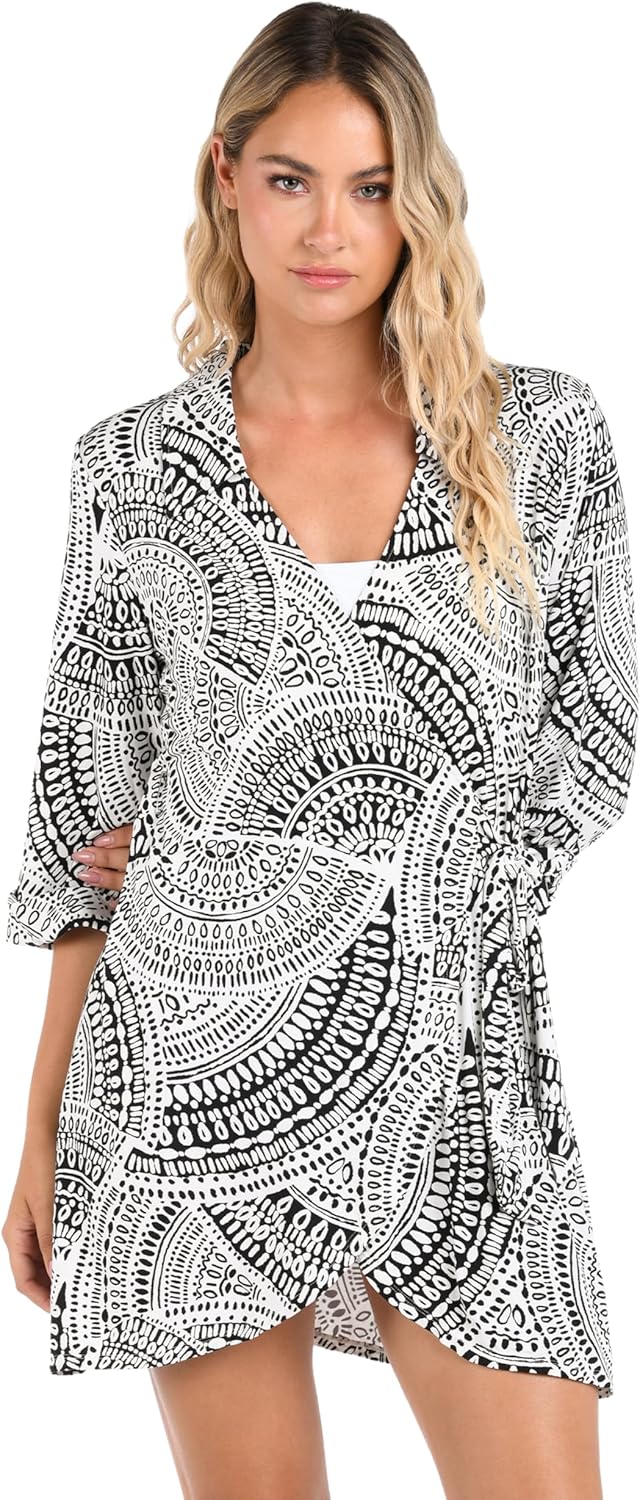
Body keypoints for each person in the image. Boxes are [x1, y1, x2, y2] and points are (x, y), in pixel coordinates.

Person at [2, 4, 637, 1498]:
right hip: (187, 1082)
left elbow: (604, 735)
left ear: (419, 199)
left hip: (467, 1075)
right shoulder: (133, 466)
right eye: (290, 180)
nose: (329, 230)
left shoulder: (536, 438)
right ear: (226, 176)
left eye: (370, 186)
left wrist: (407, 872)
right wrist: (38, 1135)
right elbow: (85, 818)